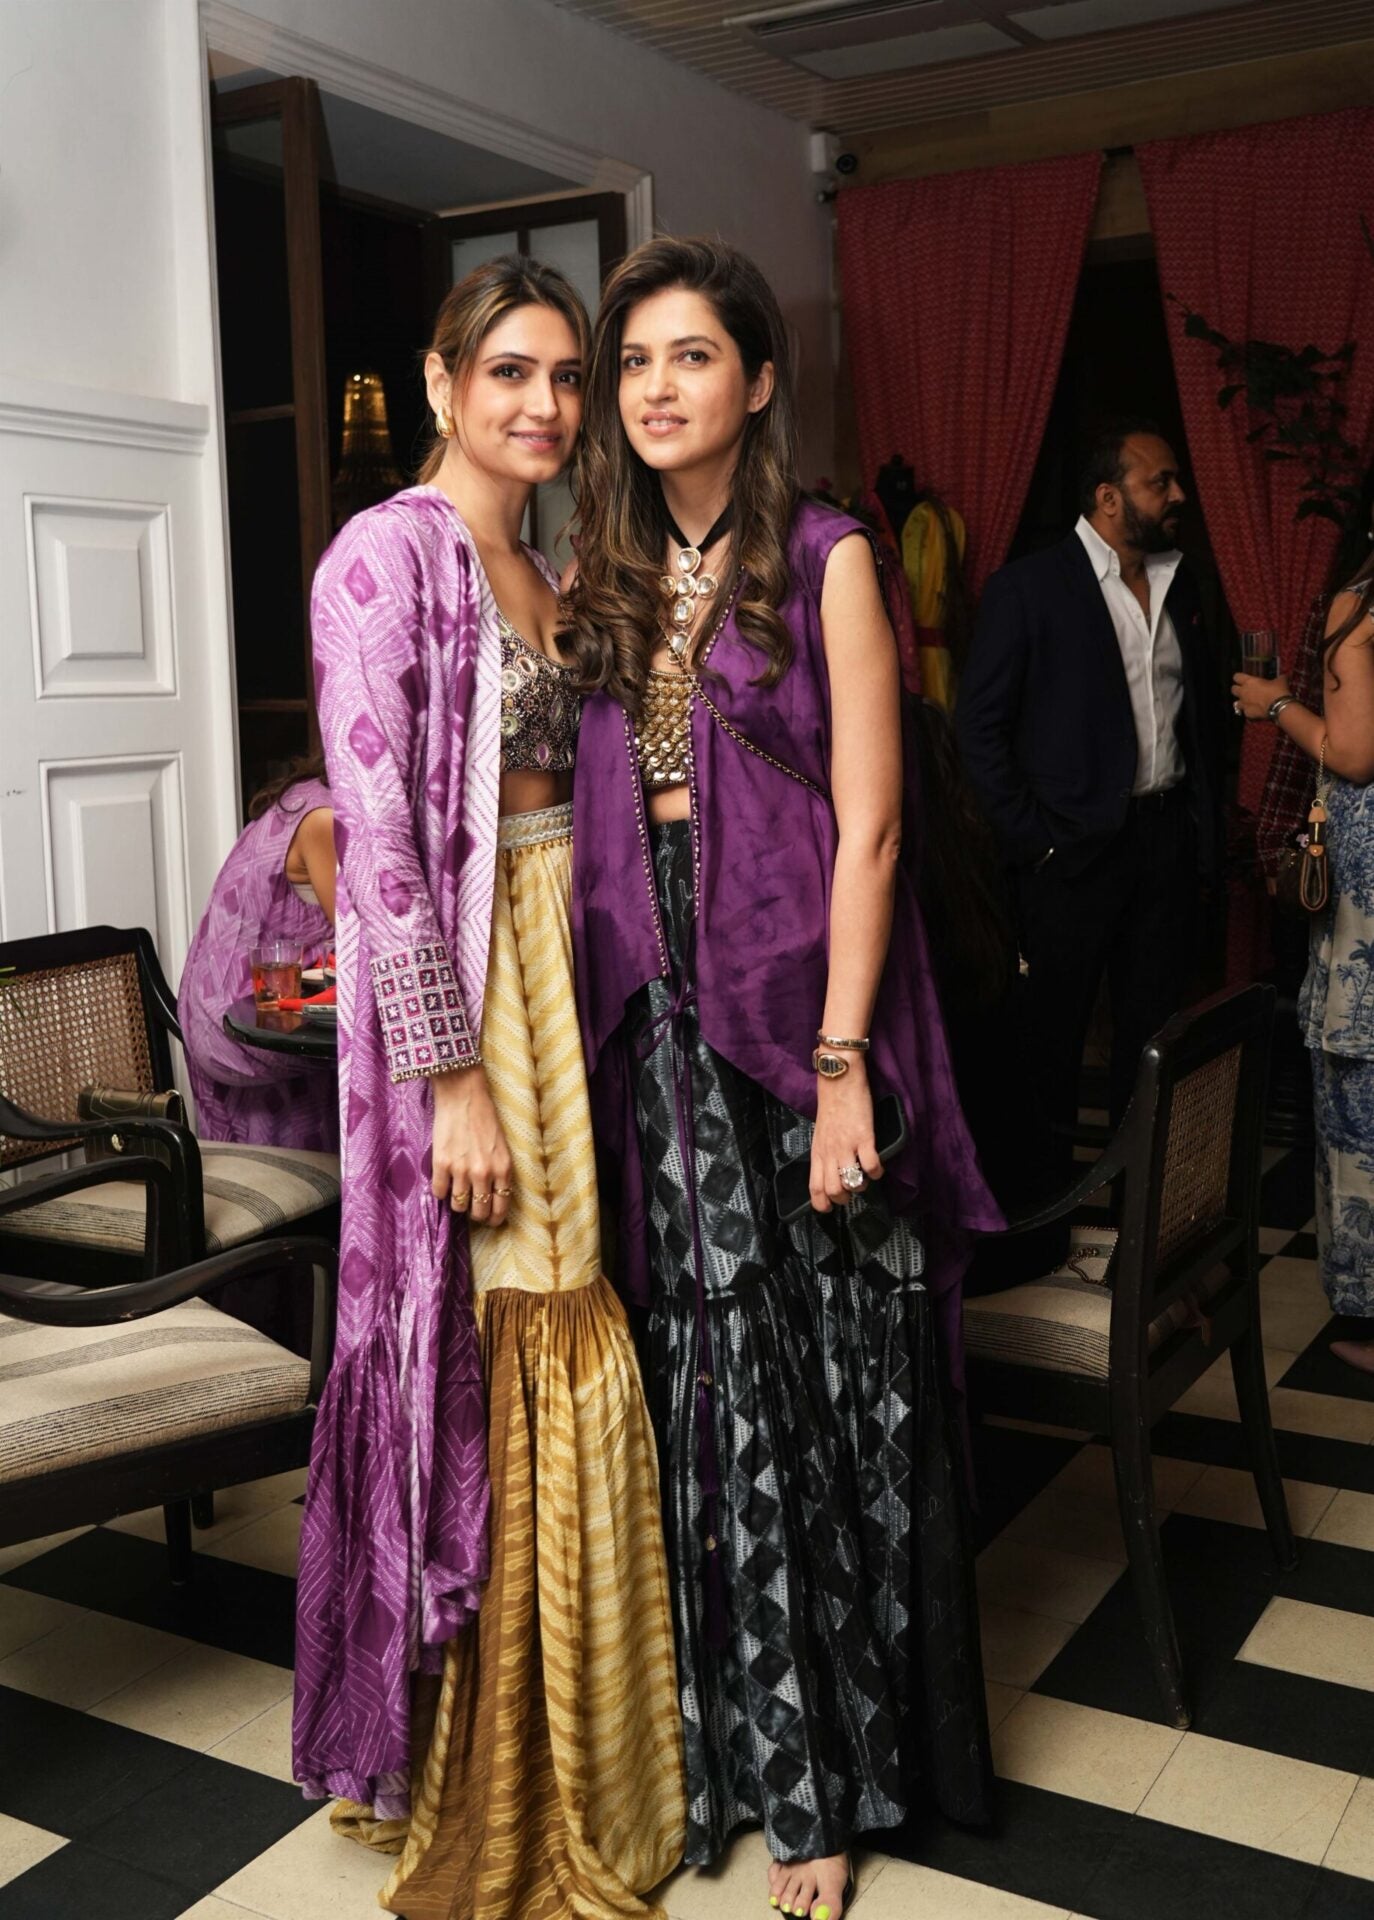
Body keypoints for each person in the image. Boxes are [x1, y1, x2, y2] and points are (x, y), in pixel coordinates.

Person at [565, 236, 998, 1920]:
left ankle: (826, 1777)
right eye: (633, 360)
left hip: (802, 1003)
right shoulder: (609, 575)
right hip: (658, 1014)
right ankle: (731, 1751)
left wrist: (839, 1065)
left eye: (690, 355)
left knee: (823, 1372)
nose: (655, 386)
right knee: (713, 1368)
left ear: (755, 382)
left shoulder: (823, 557)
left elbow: (872, 827)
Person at [291, 257, 685, 1920]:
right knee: (513, 1323)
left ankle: (603, 1748)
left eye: (565, 377)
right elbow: (380, 844)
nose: (543, 404)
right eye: (509, 371)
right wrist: (448, 1079)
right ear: (441, 383)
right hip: (467, 995)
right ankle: (497, 1776)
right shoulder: (384, 556)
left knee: (581, 1308)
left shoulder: (556, 563)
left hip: (565, 957)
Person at [957, 420, 1223, 1187]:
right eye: (1159, 482)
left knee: (1153, 1047)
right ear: (1109, 498)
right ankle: (1044, 1220)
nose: (1178, 495)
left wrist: (1202, 835)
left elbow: (1197, 720)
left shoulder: (1180, 583)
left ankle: (1140, 1218)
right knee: (1049, 1047)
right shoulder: (1028, 589)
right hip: (1067, 856)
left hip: (1163, 844)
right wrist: (1034, 841)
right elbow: (978, 732)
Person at [1234, 515, 1374, 1375]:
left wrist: (1277, 703)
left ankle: (1371, 1315)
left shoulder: (1360, 606)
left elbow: (1353, 754)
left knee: (1359, 1080)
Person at [178, 755, 337, 1151]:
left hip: (223, 1004)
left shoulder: (308, 795)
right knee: (403, 1045)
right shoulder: (322, 818)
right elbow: (368, 937)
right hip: (238, 1018)